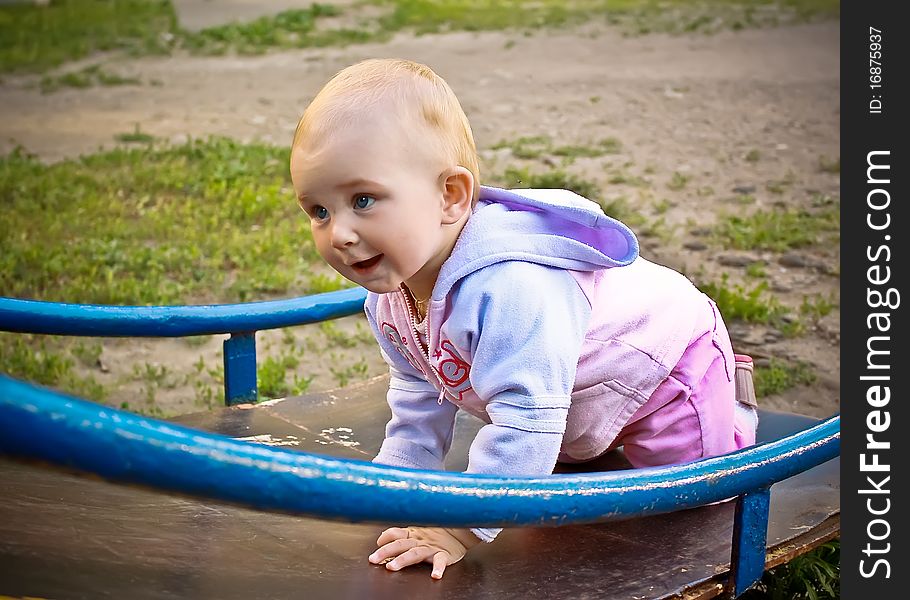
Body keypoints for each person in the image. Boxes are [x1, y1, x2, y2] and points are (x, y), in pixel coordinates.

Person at [289, 58, 758, 580]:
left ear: (450, 196)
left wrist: (460, 527)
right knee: (554, 452)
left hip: (666, 370)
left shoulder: (509, 287)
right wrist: (396, 487)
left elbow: (528, 417)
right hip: (572, 389)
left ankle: (732, 406)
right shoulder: (390, 299)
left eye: (363, 199)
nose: (340, 234)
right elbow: (418, 397)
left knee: (697, 501)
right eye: (319, 211)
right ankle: (576, 442)